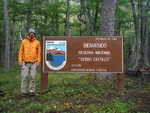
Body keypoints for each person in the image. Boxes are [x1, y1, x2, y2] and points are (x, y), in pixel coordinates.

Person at [18, 28, 41, 96]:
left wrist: (38, 62)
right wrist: (20, 61)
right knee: (24, 77)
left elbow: (39, 53)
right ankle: (23, 91)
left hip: (34, 63)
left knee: (33, 77)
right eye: (30, 33)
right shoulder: (24, 41)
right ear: (28, 34)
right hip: (25, 62)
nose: (32, 34)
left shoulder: (37, 42)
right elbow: (20, 52)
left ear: (34, 34)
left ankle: (32, 91)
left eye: (33, 33)